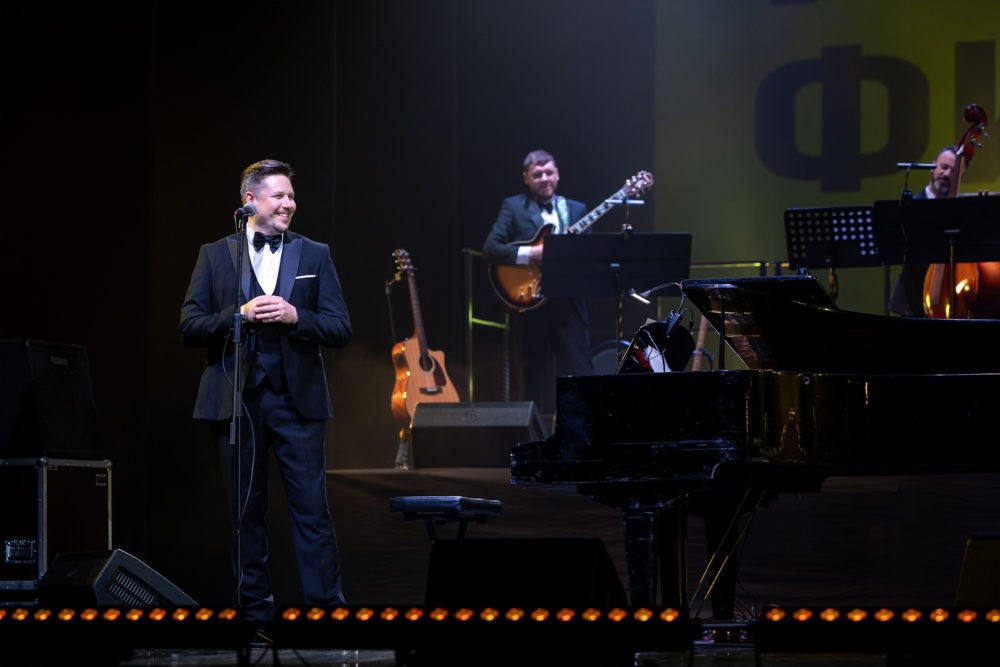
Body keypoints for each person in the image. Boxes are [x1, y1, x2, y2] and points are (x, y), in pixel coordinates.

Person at [179, 159, 352, 630]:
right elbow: (189, 326)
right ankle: (254, 618)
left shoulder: (314, 254)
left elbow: (340, 327)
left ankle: (327, 616)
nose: (289, 204)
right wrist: (238, 313)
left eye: (292, 196)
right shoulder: (215, 255)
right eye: (279, 196)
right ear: (250, 201)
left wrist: (297, 317)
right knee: (245, 515)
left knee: (312, 513)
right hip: (237, 402)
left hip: (298, 402)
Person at [482, 149, 595, 417]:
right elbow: (490, 248)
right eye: (537, 174)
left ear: (557, 174)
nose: (544, 178)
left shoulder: (577, 209)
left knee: (579, 371)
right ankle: (536, 437)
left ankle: (580, 431)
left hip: (569, 302)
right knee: (533, 375)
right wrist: (530, 254)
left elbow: (590, 255)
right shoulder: (513, 206)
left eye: (548, 173)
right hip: (531, 302)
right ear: (526, 178)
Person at [886, 145, 961, 317]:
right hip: (912, 302)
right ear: (933, 166)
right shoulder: (911, 207)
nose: (947, 174)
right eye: (944, 167)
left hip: (948, 300)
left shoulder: (959, 211)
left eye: (953, 171)